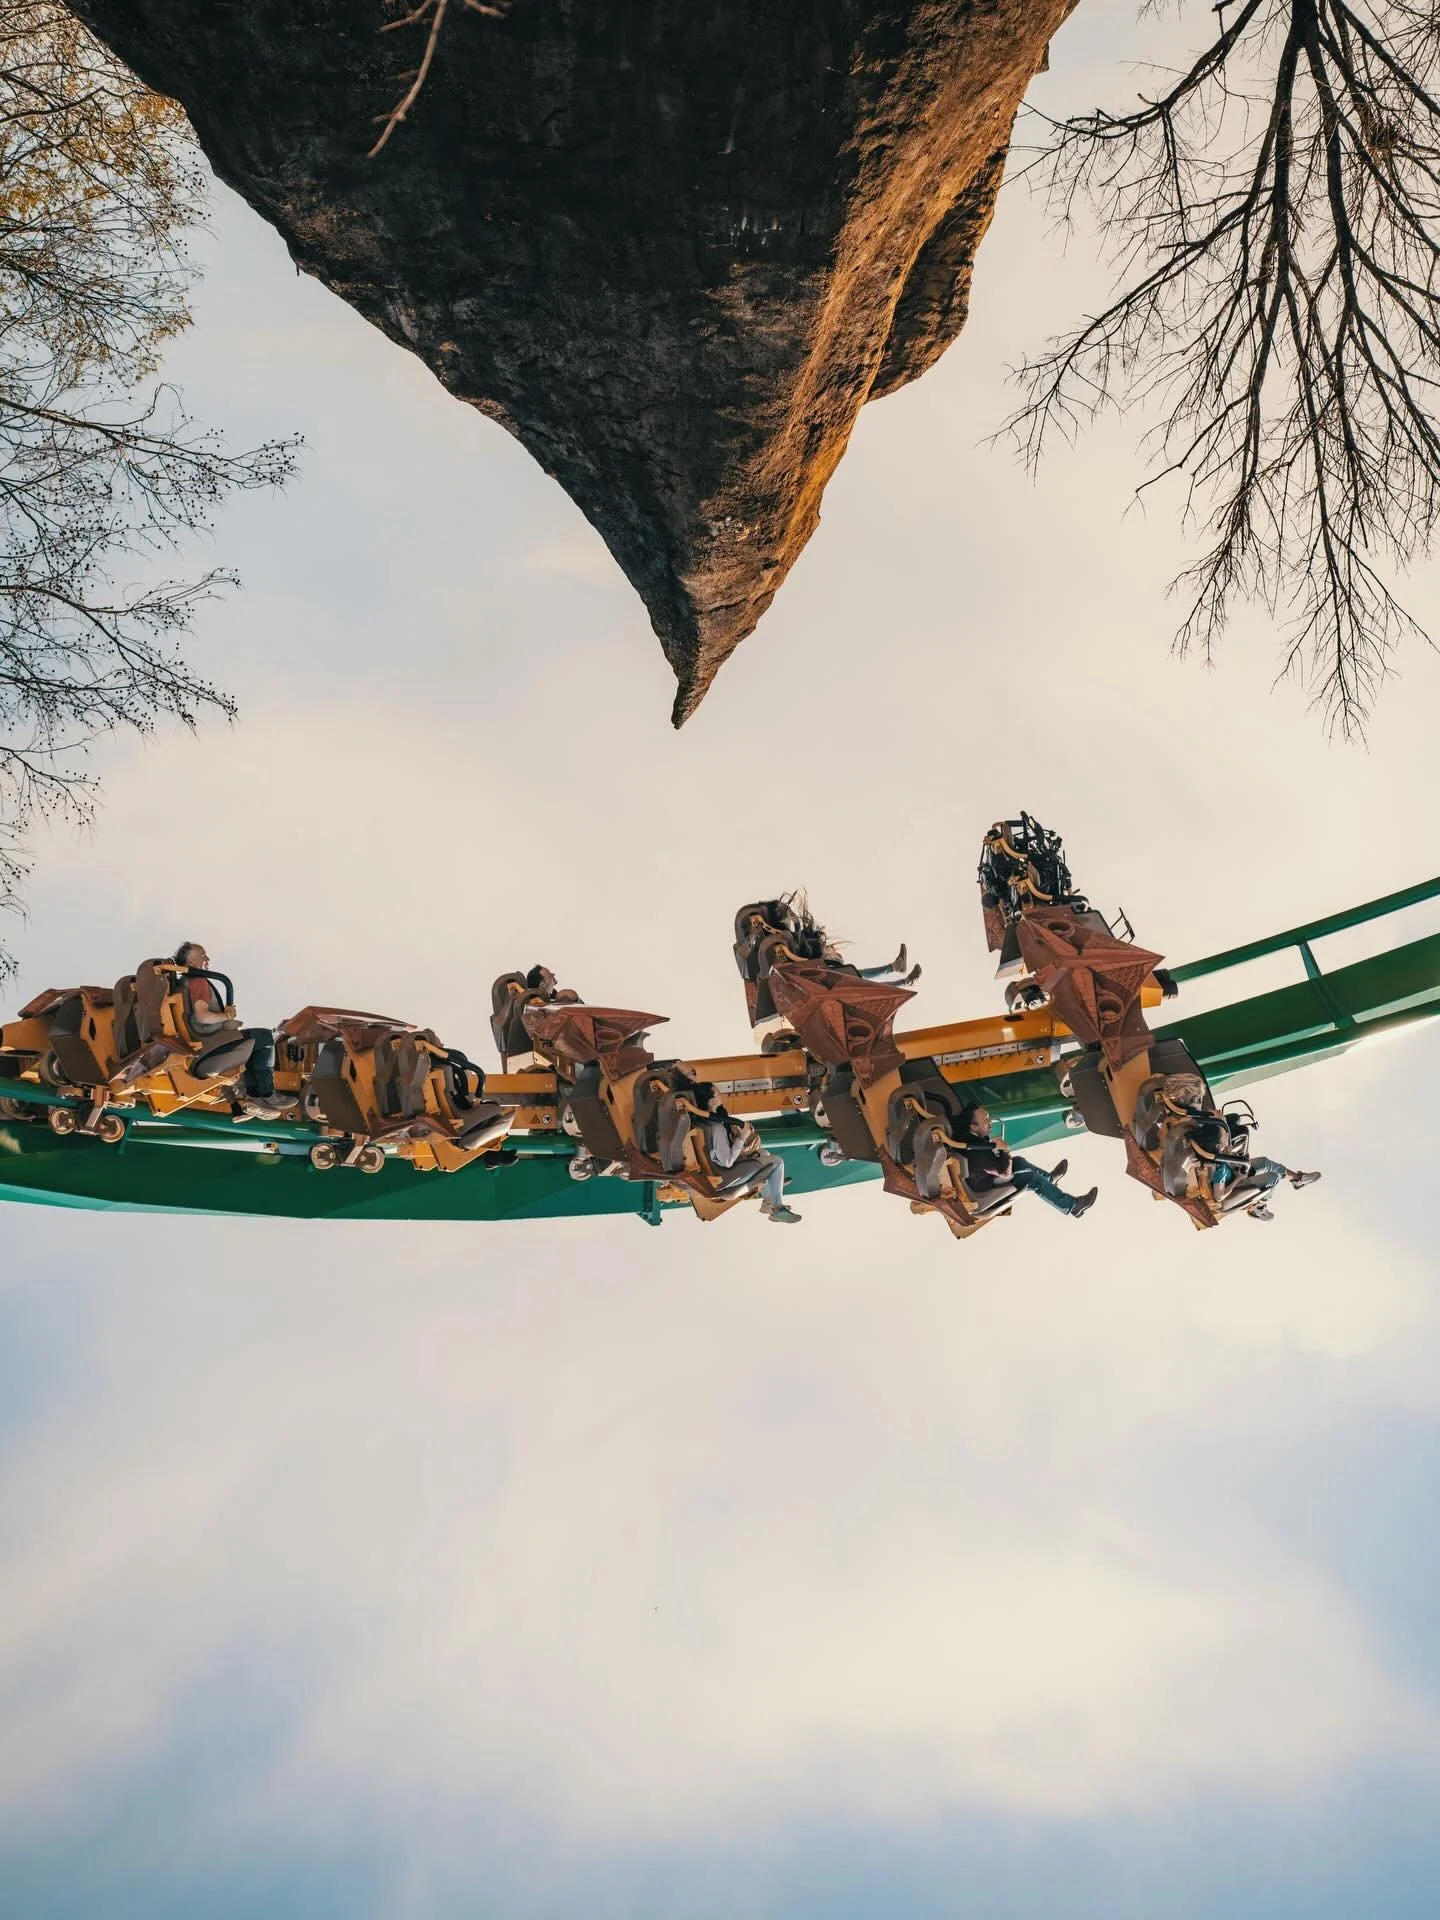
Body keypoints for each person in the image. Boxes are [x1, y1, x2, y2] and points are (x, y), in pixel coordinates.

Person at [173, 941, 296, 1117]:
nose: (208, 958)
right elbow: (203, 1017)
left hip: (201, 1051)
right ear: (190, 962)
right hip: (209, 1048)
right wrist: (227, 1016)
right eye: (202, 956)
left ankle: (254, 1096)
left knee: (253, 1043)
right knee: (264, 1037)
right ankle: (268, 1095)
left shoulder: (182, 983)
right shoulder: (198, 981)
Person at [689, 1081, 801, 1225]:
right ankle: (777, 1209)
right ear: (711, 1102)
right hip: (725, 1178)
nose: (721, 1096)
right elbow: (727, 1161)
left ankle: (768, 1202)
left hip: (720, 1174)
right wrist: (742, 1137)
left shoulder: (703, 1123)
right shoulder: (716, 1128)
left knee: (763, 1153)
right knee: (777, 1162)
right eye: (718, 1094)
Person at [958, 1105, 1097, 1219]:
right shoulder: (977, 1151)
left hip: (981, 1177)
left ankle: (1050, 1179)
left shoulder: (969, 1139)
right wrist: (1005, 1150)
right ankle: (1073, 1206)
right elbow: (1005, 1174)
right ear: (973, 1126)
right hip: (985, 1186)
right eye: (986, 1120)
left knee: (1019, 1162)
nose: (990, 1121)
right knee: (1031, 1179)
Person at [1199, 1108, 1321, 1220]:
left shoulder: (1218, 1149)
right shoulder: (1220, 1168)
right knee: (1273, 1178)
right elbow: (1219, 1196)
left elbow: (1222, 1137)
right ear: (1219, 1145)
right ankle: (1259, 1207)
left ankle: (1297, 1179)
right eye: (1225, 1137)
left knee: (1265, 1163)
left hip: (1234, 1170)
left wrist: (1221, 1120)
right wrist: (1238, 1178)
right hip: (1235, 1181)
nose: (1228, 1136)